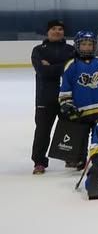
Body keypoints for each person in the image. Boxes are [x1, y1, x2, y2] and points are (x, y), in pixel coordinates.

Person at [59, 30, 98, 168]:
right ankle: (79, 158)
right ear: (77, 45)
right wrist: (66, 103)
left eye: (90, 44)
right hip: (81, 110)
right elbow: (66, 87)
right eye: (84, 44)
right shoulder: (71, 65)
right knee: (81, 136)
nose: (87, 47)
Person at [30, 20, 75, 174]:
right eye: (54, 29)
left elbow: (72, 70)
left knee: (69, 128)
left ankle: (71, 157)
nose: (57, 31)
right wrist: (63, 66)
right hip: (45, 98)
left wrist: (51, 66)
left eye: (60, 29)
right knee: (42, 131)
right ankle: (39, 162)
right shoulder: (38, 50)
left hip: (67, 97)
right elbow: (42, 71)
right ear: (47, 32)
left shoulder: (71, 50)